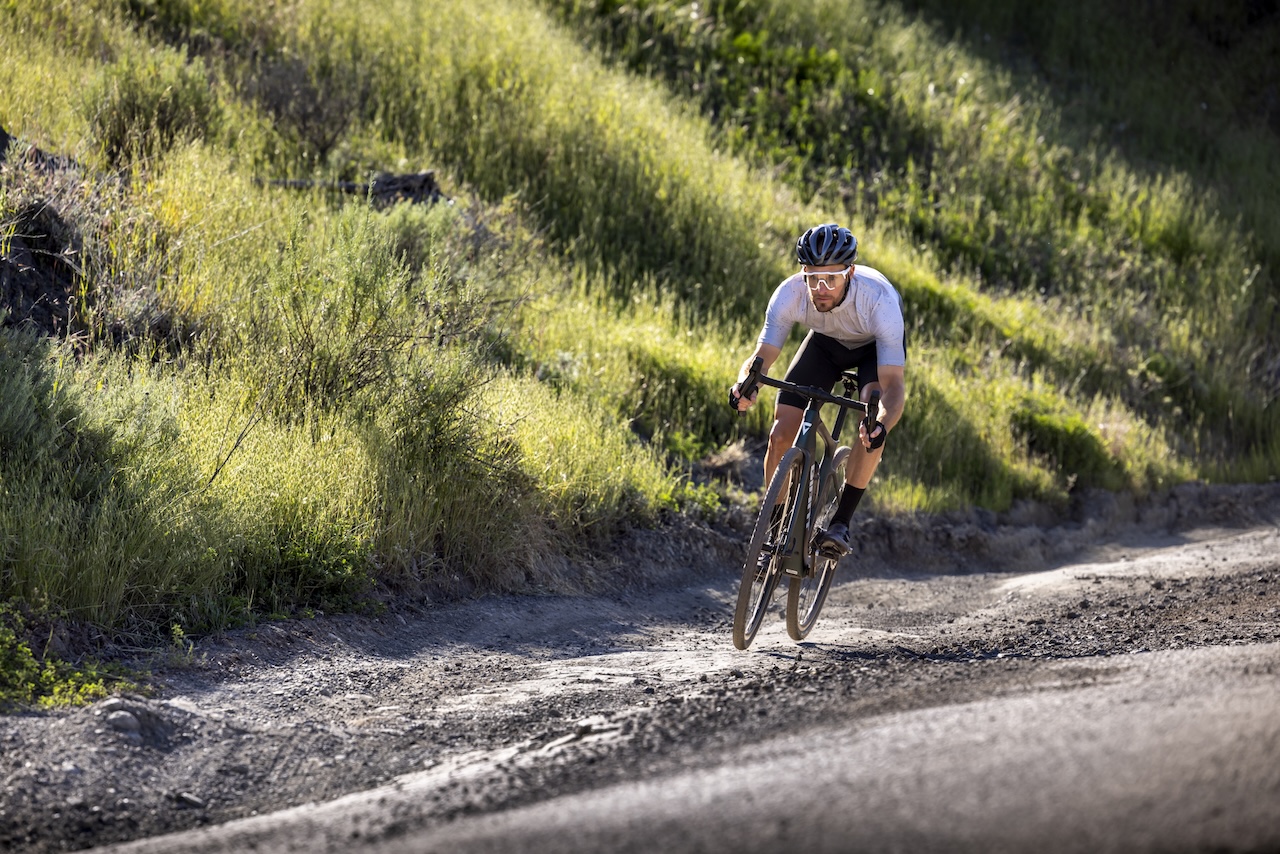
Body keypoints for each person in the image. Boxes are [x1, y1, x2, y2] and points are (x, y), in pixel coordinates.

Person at [728, 222, 906, 557]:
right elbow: (761, 358)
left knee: (871, 416)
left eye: (832, 278)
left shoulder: (879, 301)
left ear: (850, 273)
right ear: (803, 273)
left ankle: (841, 523)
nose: (821, 288)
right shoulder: (790, 294)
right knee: (780, 434)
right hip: (824, 346)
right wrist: (745, 385)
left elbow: (894, 385)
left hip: (872, 351)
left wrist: (883, 422)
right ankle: (776, 528)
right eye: (813, 278)